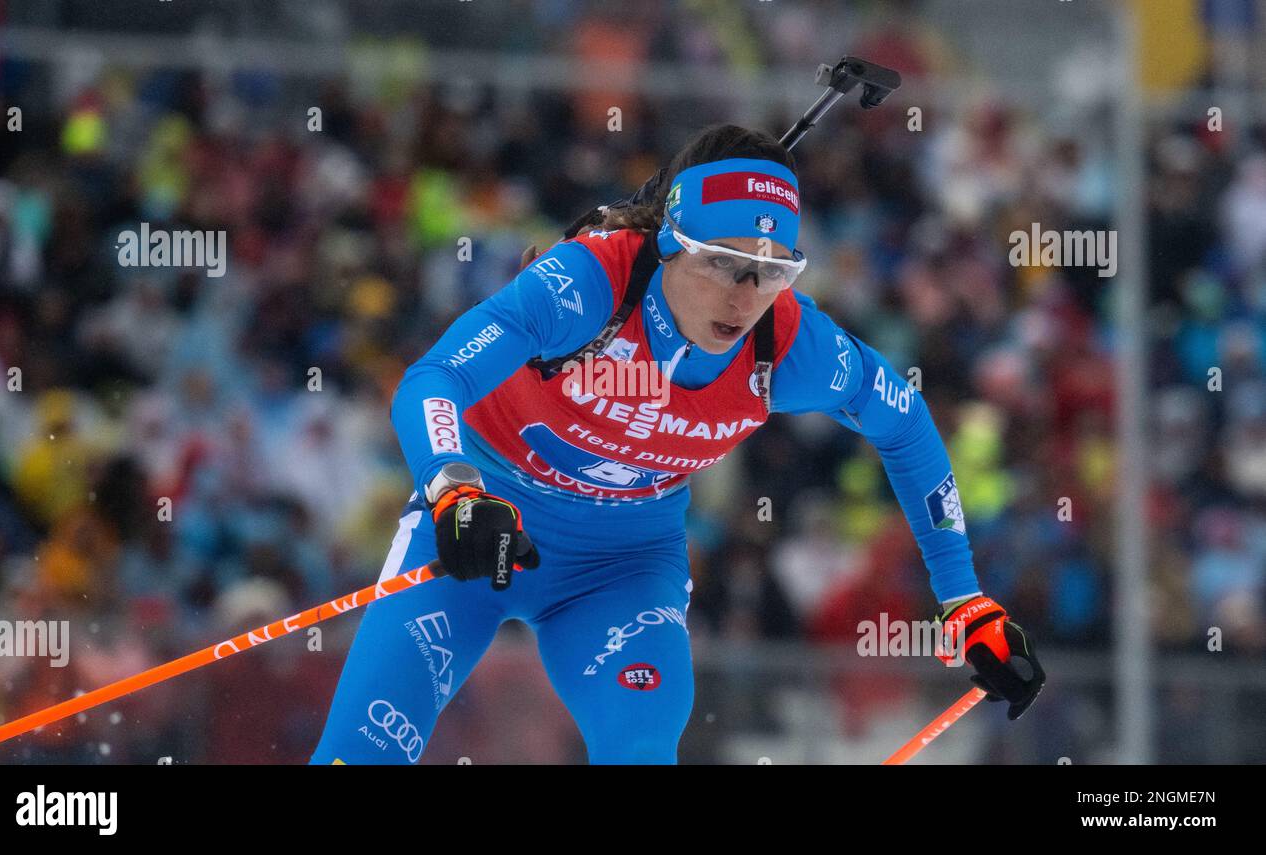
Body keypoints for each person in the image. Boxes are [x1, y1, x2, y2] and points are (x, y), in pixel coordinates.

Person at [310, 123, 1045, 765]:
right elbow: (432, 378)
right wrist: (453, 488)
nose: (745, 294)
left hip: (624, 567)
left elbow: (907, 424)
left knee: (640, 750)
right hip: (486, 529)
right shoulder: (588, 285)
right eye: (723, 262)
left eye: (772, 270)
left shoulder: (786, 341)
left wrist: (963, 599)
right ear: (669, 242)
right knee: (362, 753)